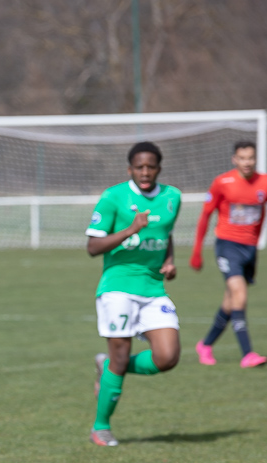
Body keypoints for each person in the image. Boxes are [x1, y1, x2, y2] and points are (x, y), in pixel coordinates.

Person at [85, 141, 182, 447]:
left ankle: (111, 365)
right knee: (121, 355)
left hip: (153, 289)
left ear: (159, 169)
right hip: (117, 288)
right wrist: (130, 229)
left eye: (150, 166)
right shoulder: (113, 197)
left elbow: (166, 233)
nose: (145, 172)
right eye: (139, 167)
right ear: (129, 169)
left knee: (167, 357)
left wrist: (168, 260)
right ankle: (101, 427)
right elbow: (92, 247)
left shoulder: (172, 197)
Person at [190, 141, 267, 368]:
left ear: (256, 159)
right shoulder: (222, 182)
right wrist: (197, 252)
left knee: (230, 301)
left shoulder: (266, 183)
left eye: (251, 158)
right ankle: (247, 354)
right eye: (242, 158)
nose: (247, 162)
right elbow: (205, 216)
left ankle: (205, 345)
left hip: (250, 250)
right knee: (240, 296)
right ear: (234, 159)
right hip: (227, 246)